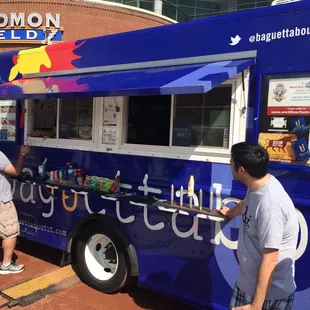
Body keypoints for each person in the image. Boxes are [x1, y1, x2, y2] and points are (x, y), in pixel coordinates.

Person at [220, 142, 299, 310]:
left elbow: (270, 260)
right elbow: (248, 201)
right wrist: (230, 213)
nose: (229, 165)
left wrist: (256, 306)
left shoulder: (270, 207)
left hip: (267, 296)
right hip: (247, 283)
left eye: (231, 162)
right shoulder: (258, 183)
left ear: (241, 170)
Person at [0, 144, 31, 274]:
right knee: (10, 232)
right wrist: (23, 154)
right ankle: (6, 266)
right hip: (2, 201)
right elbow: (15, 171)